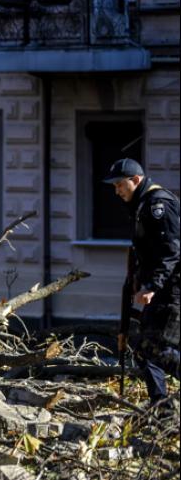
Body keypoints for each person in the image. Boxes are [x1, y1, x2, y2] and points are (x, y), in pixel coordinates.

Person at [104, 158, 180, 403]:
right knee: (145, 351)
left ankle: (162, 410)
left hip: (171, 291)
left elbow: (172, 251)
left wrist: (152, 286)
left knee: (157, 350)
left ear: (135, 180)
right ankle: (161, 411)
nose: (116, 191)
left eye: (119, 184)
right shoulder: (142, 205)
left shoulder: (158, 204)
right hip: (159, 290)